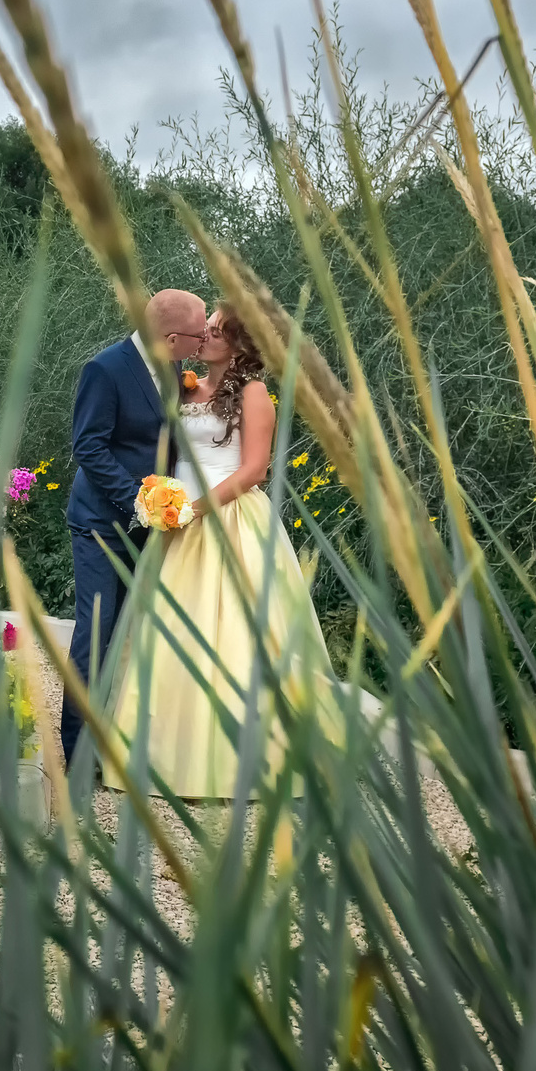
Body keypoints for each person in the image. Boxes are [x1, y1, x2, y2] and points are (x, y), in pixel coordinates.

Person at [110, 304, 331, 800]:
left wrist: (196, 508)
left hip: (227, 518)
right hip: (179, 521)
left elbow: (253, 470)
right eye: (204, 327)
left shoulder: (255, 395)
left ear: (239, 344)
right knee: (171, 636)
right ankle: (166, 757)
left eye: (215, 330)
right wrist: (168, 502)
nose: (203, 334)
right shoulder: (189, 387)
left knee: (236, 635)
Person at [60, 288, 207, 770]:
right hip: (103, 523)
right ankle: (78, 756)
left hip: (152, 527)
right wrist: (141, 501)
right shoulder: (106, 369)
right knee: (96, 632)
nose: (204, 338)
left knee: (131, 634)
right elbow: (89, 447)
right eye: (198, 332)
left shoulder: (172, 370)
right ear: (171, 336)